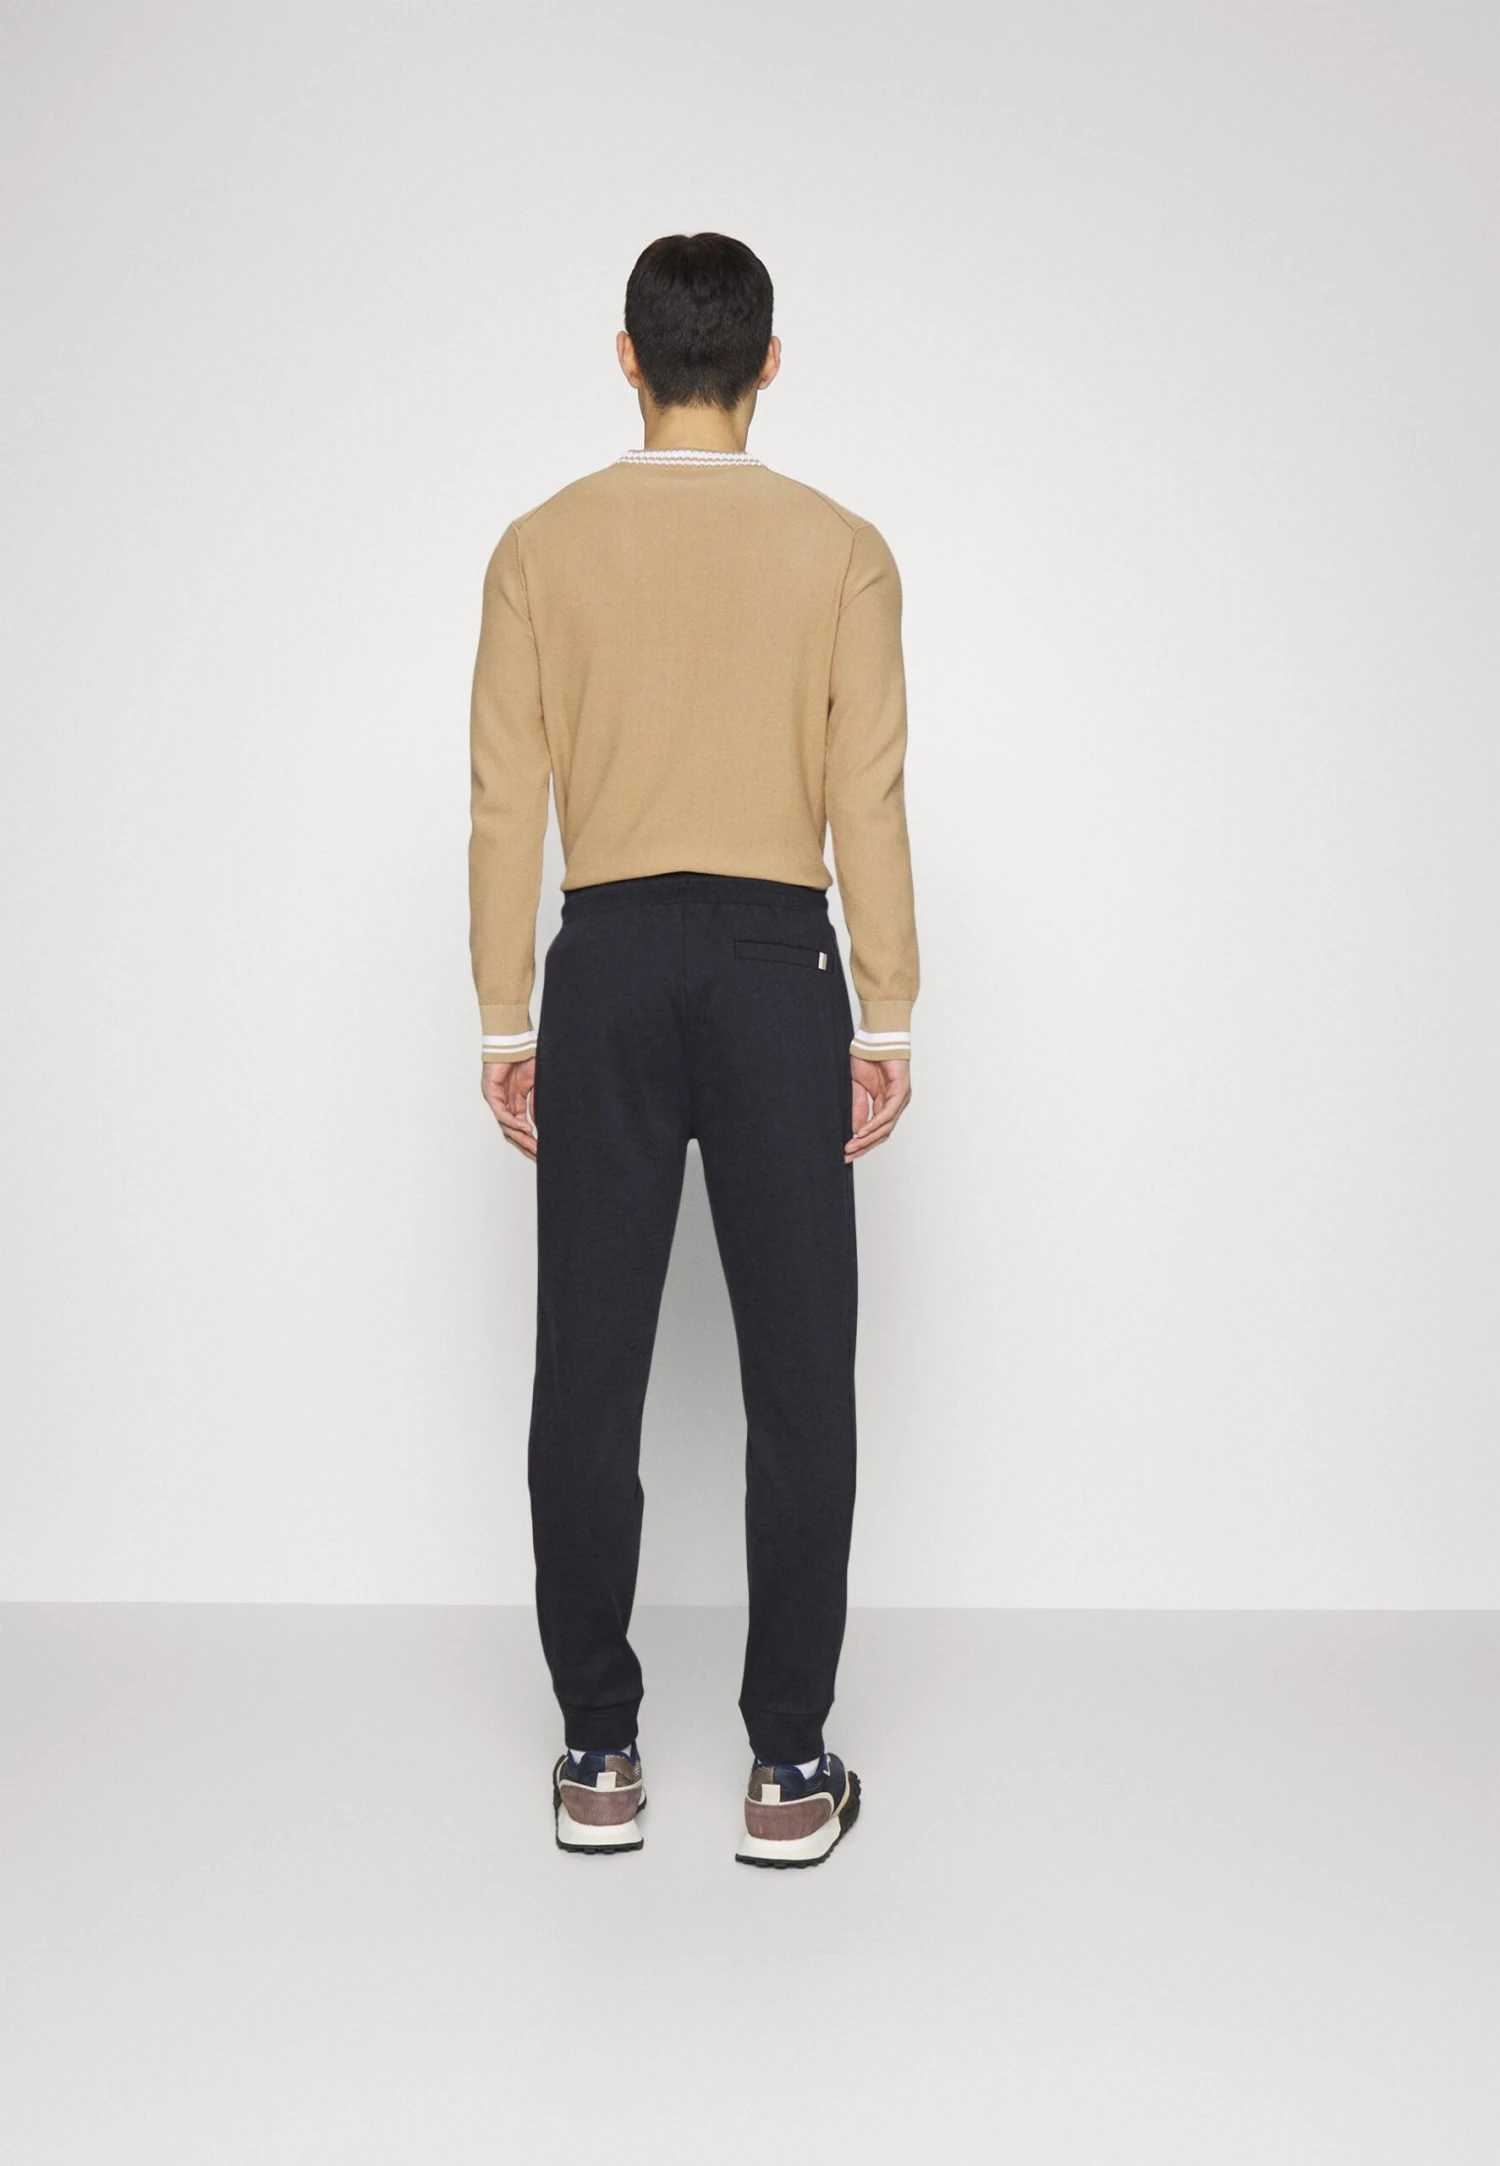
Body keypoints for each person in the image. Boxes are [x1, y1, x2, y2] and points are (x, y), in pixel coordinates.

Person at [468, 232, 918, 1868]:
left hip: (603, 957)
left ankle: (599, 1750)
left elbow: (504, 797)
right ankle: (789, 1766)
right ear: (769, 362)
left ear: (627, 356)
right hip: (776, 960)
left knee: (588, 1366)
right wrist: (887, 1007)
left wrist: (507, 1013)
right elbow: (866, 792)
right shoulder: (841, 549)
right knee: (801, 1374)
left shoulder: (540, 546)